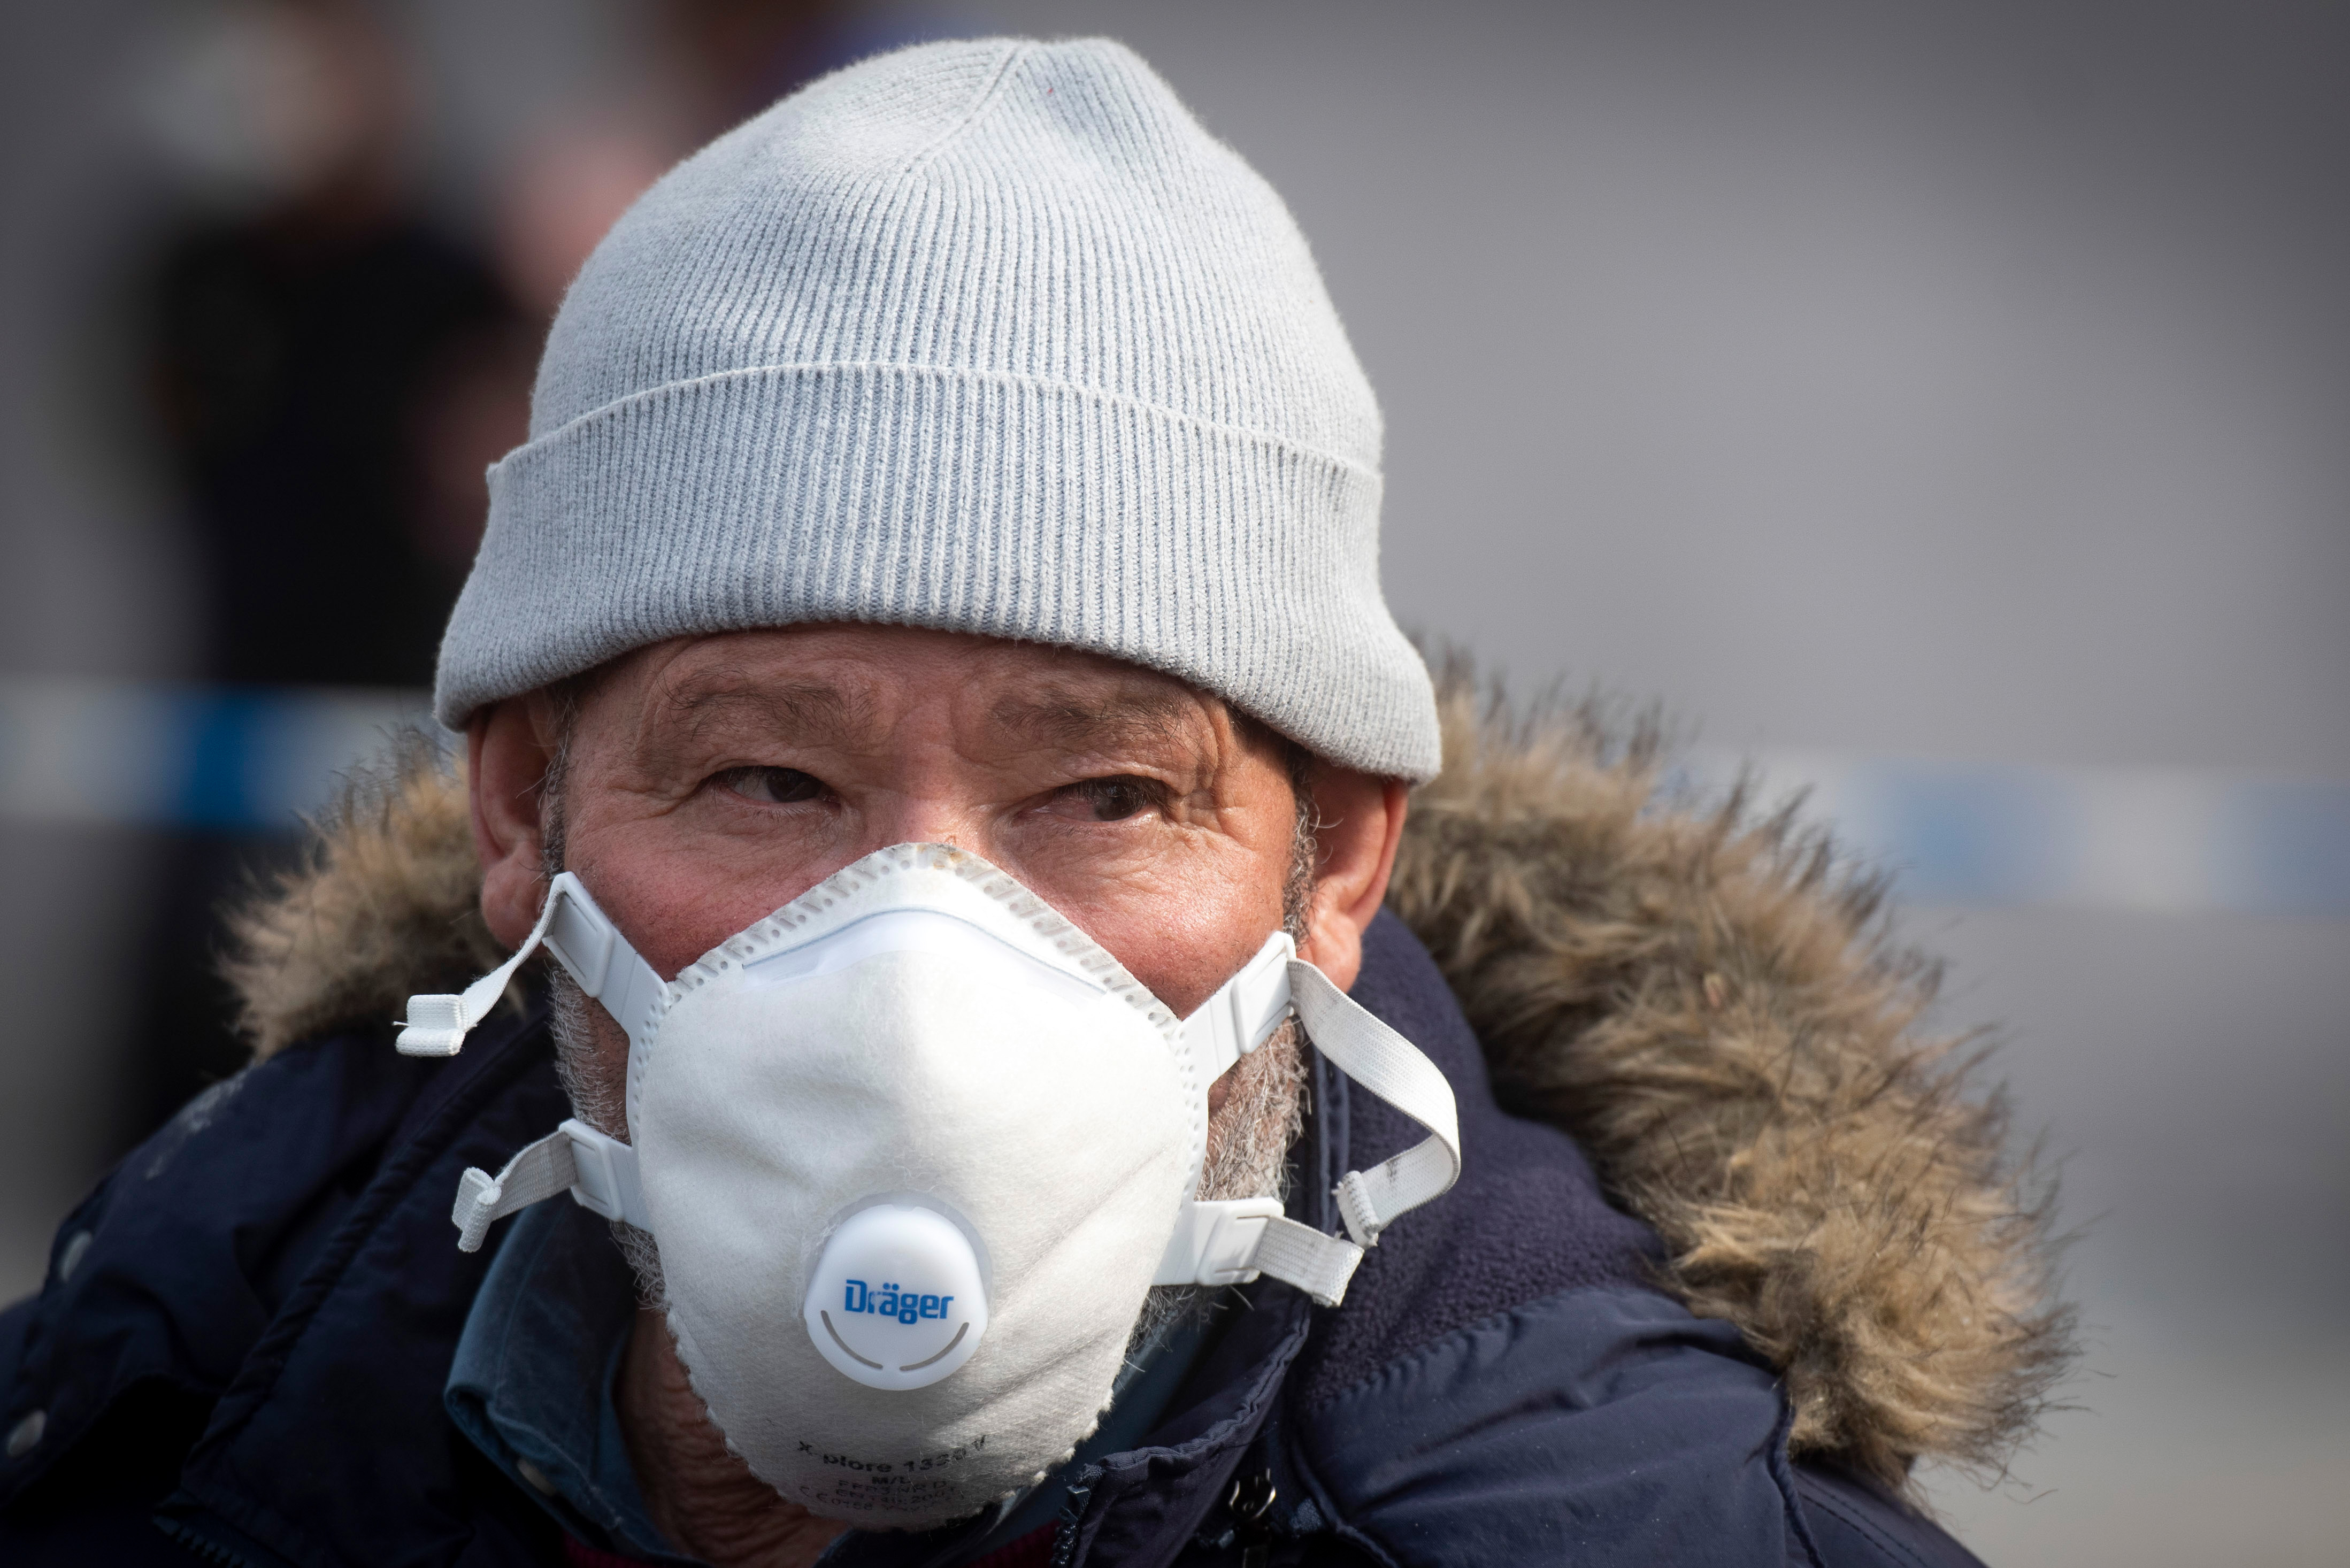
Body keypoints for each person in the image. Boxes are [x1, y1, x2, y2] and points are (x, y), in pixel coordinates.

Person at [0, 37, 2068, 1567]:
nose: (916, 965)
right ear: (524, 815)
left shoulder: (1628, 1526)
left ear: (1334, 861)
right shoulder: (179, 1373)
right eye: (768, 775)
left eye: (1102, 792)